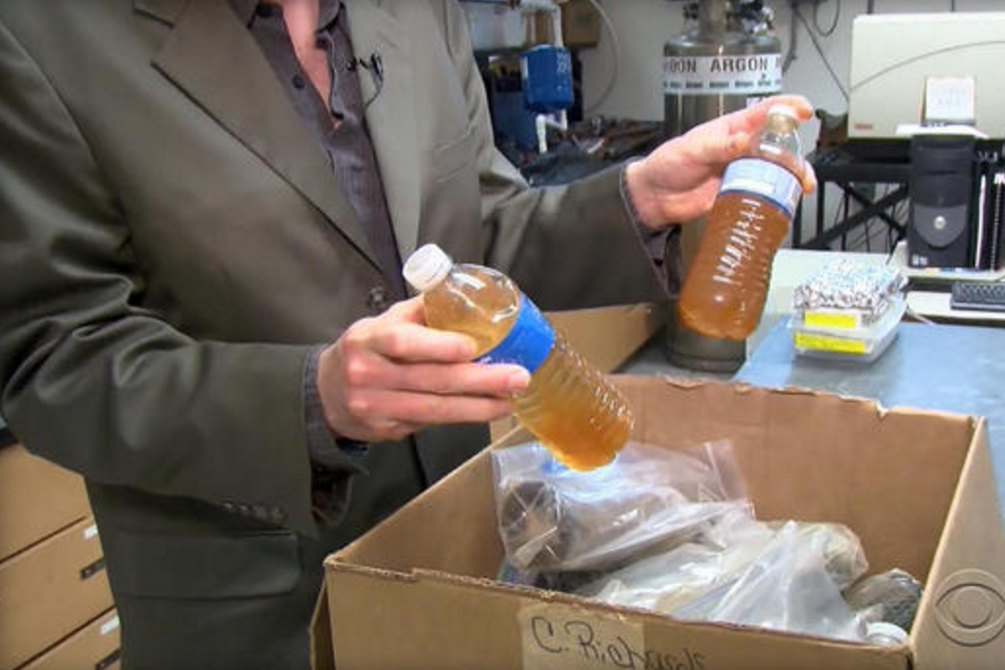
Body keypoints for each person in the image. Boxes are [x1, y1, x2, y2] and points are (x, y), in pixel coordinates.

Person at [0, 0, 815, 667]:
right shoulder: (42, 34)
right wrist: (311, 400)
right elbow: (54, 358)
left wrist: (636, 199)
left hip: (457, 558)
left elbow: (475, 236)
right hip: (254, 608)